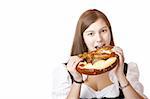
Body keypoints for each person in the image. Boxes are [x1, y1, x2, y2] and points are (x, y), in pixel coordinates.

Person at [52, 9, 147, 99]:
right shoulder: (66, 71)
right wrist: (77, 81)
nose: (99, 39)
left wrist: (121, 76)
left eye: (103, 31)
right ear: (82, 38)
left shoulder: (127, 69)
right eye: (91, 33)